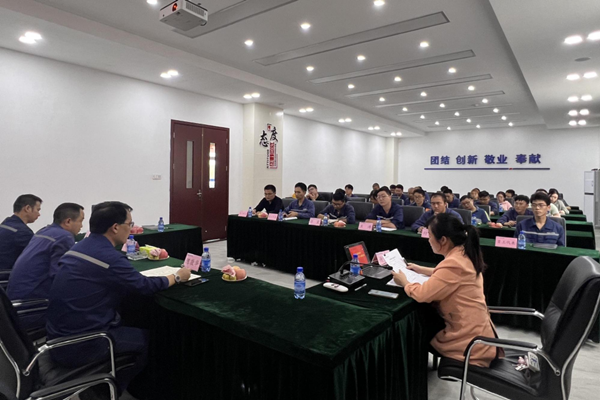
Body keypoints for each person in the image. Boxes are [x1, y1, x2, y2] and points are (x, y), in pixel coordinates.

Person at [46, 201, 191, 394]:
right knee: (153, 341)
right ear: (115, 227)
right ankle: (108, 391)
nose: (131, 229)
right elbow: (144, 286)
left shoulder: (79, 246)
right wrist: (177, 277)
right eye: (129, 224)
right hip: (81, 345)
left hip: (56, 335)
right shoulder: (109, 257)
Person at [391, 213, 500, 367]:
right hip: (477, 330)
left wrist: (404, 282)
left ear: (443, 240)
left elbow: (422, 294)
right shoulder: (463, 253)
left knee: (414, 324)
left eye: (429, 235)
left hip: (468, 341)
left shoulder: (454, 263)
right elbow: (448, 275)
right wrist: (421, 269)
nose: (428, 239)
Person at [7, 203, 84, 331]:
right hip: (33, 309)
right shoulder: (64, 237)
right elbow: (60, 278)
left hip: (13, 305)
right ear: (68, 221)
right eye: (81, 221)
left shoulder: (44, 231)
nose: (81, 226)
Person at [0, 194, 42, 271]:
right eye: (38, 210)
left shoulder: (4, 225)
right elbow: (36, 257)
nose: (39, 214)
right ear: (27, 208)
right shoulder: (23, 232)